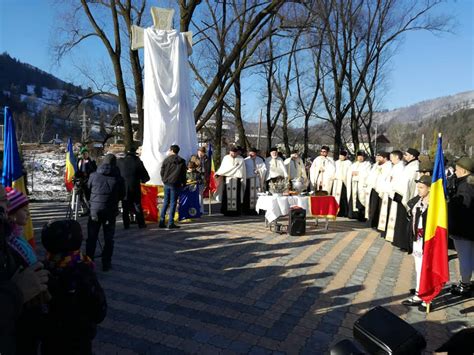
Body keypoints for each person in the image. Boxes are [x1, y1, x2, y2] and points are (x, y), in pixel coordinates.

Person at [41, 219, 107, 355]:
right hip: (78, 335)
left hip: (50, 336)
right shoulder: (81, 270)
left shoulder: (43, 267)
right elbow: (98, 308)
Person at [0, 184, 49, 355]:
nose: (28, 212)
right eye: (24, 209)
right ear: (11, 214)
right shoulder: (10, 243)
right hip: (21, 320)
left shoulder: (15, 238)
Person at [86, 154, 125, 271]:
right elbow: (122, 195)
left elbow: (88, 190)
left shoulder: (93, 176)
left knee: (91, 238)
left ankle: (89, 262)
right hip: (110, 212)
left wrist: (92, 202)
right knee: (108, 239)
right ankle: (106, 263)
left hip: (94, 211)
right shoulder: (118, 178)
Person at [402, 175, 431, 307]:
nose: (418, 189)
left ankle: (426, 296)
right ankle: (420, 291)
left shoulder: (433, 205)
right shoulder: (418, 200)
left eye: (421, 187)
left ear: (430, 188)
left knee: (426, 268)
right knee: (419, 267)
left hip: (427, 241)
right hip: (417, 239)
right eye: (417, 187)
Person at [448, 157, 474, 297]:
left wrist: (450, 203)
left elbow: (464, 206)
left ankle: (465, 285)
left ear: (464, 170)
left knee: (465, 258)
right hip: (469, 229)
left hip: (463, 230)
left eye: (457, 169)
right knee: (470, 257)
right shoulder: (469, 183)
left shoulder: (465, 186)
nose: (455, 172)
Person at [390, 148, 420, 250]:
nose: (405, 156)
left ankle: (404, 243)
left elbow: (410, 183)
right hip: (401, 194)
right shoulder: (409, 165)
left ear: (412, 156)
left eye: (406, 154)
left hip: (406, 196)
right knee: (400, 220)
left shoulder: (415, 166)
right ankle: (399, 241)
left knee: (404, 221)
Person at [117, 147, 150, 229]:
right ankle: (141, 224)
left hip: (123, 188)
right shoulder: (138, 162)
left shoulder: (120, 162)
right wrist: (142, 180)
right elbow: (146, 177)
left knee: (125, 206)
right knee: (137, 205)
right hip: (135, 187)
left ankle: (126, 224)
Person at [159, 145, 187, 228]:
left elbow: (162, 171)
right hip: (176, 184)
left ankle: (161, 221)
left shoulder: (166, 160)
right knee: (173, 203)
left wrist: (164, 179)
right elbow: (183, 174)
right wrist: (183, 183)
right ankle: (170, 222)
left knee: (166, 202)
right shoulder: (182, 161)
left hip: (167, 183)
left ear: (171, 150)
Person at [380, 150, 404, 239]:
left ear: (397, 157)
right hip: (388, 192)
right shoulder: (395, 166)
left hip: (393, 193)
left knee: (392, 214)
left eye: (392, 157)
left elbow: (396, 181)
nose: (390, 159)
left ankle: (391, 234)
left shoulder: (400, 167)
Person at [215, 147, 246, 216]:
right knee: (226, 195)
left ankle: (236, 212)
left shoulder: (240, 159)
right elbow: (223, 168)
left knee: (236, 195)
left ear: (237, 152)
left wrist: (241, 177)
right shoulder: (226, 158)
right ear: (230, 152)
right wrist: (218, 173)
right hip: (227, 178)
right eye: (232, 152)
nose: (233, 154)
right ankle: (226, 211)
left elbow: (242, 170)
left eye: (235, 152)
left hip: (236, 178)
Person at [365, 152, 391, 229]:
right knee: (373, 206)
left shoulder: (388, 166)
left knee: (379, 207)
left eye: (380, 157)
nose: (377, 159)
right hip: (373, 188)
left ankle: (377, 223)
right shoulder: (376, 165)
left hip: (381, 190)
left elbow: (384, 177)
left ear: (385, 158)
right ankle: (372, 221)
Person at [347, 151, 371, 221]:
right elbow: (349, 172)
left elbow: (367, 174)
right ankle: (353, 214)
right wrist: (351, 173)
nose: (360, 158)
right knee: (353, 198)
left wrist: (359, 173)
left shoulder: (367, 164)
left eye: (361, 156)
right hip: (354, 184)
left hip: (361, 185)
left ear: (364, 157)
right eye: (359, 156)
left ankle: (361, 216)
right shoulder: (353, 164)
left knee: (361, 199)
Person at [243, 147, 267, 214]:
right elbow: (243, 170)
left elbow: (264, 169)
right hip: (249, 179)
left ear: (255, 153)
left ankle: (257, 210)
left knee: (257, 195)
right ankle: (248, 210)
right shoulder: (245, 160)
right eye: (250, 153)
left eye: (253, 153)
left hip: (257, 179)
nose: (251, 154)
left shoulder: (260, 160)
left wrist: (259, 171)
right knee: (248, 195)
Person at [76, 147, 97, 216]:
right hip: (80, 181)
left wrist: (88, 169)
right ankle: (85, 210)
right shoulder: (79, 161)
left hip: (88, 181)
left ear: (88, 154)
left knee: (88, 197)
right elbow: (77, 170)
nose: (84, 155)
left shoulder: (91, 162)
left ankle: (91, 210)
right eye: (83, 154)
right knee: (80, 197)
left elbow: (94, 171)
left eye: (86, 153)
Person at [189, 146, 211, 213]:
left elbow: (209, 168)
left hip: (203, 177)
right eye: (201, 152)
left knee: (200, 194)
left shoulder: (207, 158)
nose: (202, 154)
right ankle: (194, 209)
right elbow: (190, 166)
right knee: (193, 193)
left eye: (203, 153)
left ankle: (201, 210)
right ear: (198, 151)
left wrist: (208, 176)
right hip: (195, 177)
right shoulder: (194, 157)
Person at [331, 151, 352, 217]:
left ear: (345, 156)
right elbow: (333, 171)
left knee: (344, 197)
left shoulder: (348, 163)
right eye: (340, 156)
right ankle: (337, 211)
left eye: (342, 156)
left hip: (344, 182)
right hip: (337, 182)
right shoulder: (336, 162)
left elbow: (349, 172)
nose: (341, 157)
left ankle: (345, 212)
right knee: (336, 197)